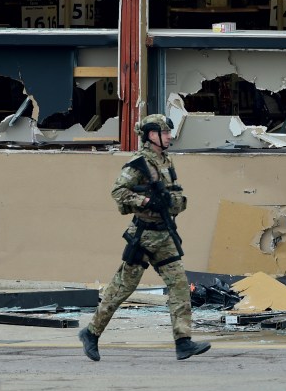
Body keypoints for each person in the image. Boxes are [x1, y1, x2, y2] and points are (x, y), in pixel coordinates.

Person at [79, 114, 211, 362]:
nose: (170, 137)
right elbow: (118, 192)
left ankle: (183, 342)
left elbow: (175, 195)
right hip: (142, 237)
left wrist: (172, 203)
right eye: (166, 132)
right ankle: (91, 333)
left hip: (163, 235)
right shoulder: (139, 163)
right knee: (122, 288)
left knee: (179, 285)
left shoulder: (164, 161)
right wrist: (146, 201)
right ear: (152, 135)